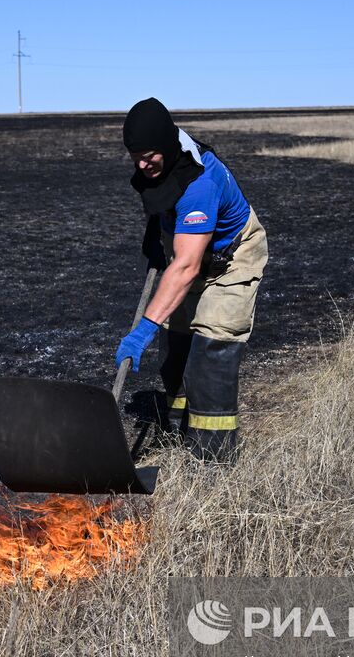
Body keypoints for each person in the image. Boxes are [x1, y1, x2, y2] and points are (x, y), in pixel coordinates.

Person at [114, 97, 268, 463]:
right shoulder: (167, 153)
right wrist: (157, 236)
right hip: (189, 249)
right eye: (135, 154)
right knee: (177, 349)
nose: (141, 163)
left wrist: (142, 330)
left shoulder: (201, 185)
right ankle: (176, 432)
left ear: (165, 146)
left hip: (231, 260)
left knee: (211, 352)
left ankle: (212, 464)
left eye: (148, 154)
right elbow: (162, 201)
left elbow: (184, 268)